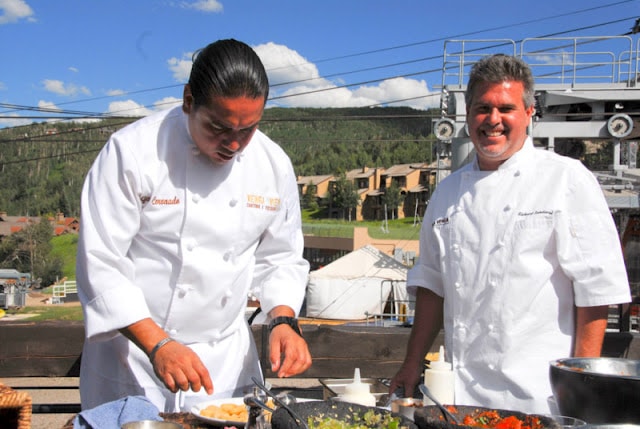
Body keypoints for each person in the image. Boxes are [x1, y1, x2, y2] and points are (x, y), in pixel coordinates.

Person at [76, 38, 312, 412]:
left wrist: (283, 319)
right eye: (218, 127)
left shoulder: (273, 164)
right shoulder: (132, 151)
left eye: (247, 129)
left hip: (224, 362)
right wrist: (158, 344)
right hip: (134, 359)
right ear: (189, 100)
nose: (233, 144)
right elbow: (101, 262)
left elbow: (281, 256)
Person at [389, 54, 631, 414]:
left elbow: (595, 289)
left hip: (542, 395)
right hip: (461, 397)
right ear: (468, 113)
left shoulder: (566, 179)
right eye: (482, 108)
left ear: (529, 113)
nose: (493, 120)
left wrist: (580, 382)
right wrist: (412, 363)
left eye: (506, 108)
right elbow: (432, 286)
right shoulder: (447, 193)